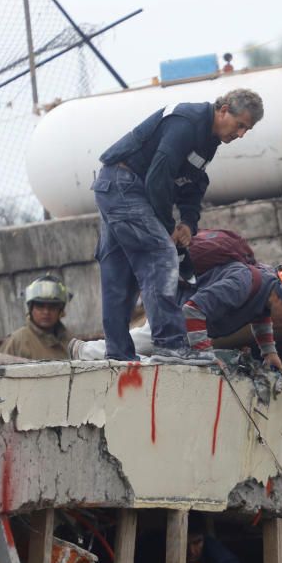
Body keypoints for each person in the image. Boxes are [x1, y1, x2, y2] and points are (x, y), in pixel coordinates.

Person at [92, 88, 264, 364]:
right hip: (124, 184)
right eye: (240, 124)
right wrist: (168, 227)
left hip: (115, 188)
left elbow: (193, 182)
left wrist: (188, 222)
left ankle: (119, 354)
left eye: (248, 129)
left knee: (119, 273)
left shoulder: (209, 139)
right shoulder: (186, 122)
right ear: (223, 110)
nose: (241, 134)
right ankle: (170, 344)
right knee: (160, 255)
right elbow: (158, 177)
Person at [69, 262, 282, 372]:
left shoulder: (265, 292)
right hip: (175, 308)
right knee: (148, 343)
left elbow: (260, 316)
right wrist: (204, 354)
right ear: (279, 296)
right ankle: (84, 352)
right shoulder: (243, 284)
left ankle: (88, 351)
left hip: (188, 319)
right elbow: (193, 309)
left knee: (147, 345)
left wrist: (270, 352)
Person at [0, 275, 74, 360]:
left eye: (52, 307)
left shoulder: (70, 341)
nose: (46, 312)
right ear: (31, 308)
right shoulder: (16, 342)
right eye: (40, 306)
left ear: (60, 310)